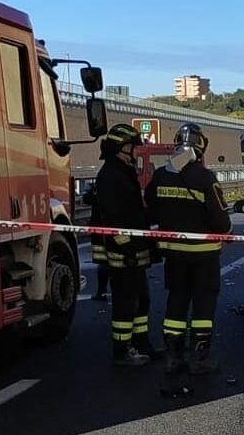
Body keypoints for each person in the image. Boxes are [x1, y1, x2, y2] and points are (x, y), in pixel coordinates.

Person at [145, 123, 232, 376]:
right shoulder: (205, 178)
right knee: (203, 305)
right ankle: (200, 357)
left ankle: (173, 356)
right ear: (200, 147)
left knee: (176, 302)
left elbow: (150, 208)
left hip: (174, 254)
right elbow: (221, 221)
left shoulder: (161, 176)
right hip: (203, 255)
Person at [95, 124, 160, 367]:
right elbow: (113, 220)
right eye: (133, 147)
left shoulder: (123, 171)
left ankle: (142, 343)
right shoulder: (111, 176)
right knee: (125, 303)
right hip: (124, 254)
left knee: (142, 299)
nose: (136, 152)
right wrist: (127, 249)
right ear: (122, 148)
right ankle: (122, 350)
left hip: (135, 249)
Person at [82, 183, 110, 301]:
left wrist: (93, 190)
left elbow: (87, 199)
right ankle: (105, 291)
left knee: (103, 263)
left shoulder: (102, 185)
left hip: (100, 231)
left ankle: (102, 292)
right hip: (110, 230)